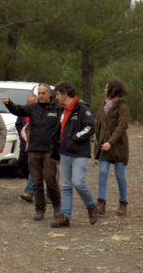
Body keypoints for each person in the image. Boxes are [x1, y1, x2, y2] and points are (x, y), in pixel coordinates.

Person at [1, 84, 62, 221]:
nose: (41, 96)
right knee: (36, 182)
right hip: (34, 149)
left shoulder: (57, 108)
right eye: (39, 93)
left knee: (50, 180)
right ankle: (39, 209)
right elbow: (18, 110)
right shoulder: (33, 108)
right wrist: (9, 103)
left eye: (43, 93)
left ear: (49, 94)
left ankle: (58, 207)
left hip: (50, 150)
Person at [51, 81, 97, 228]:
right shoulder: (61, 109)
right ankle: (65, 216)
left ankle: (91, 205)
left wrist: (76, 137)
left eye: (57, 94)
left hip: (80, 153)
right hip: (64, 152)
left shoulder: (82, 108)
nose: (56, 97)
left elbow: (90, 127)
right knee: (65, 185)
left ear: (65, 93)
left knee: (78, 182)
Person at [94, 80, 130, 216]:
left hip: (118, 145)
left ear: (113, 89)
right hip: (103, 144)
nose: (104, 89)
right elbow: (98, 122)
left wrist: (111, 142)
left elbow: (122, 126)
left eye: (106, 87)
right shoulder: (103, 104)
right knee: (102, 172)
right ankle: (101, 202)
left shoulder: (123, 106)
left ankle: (123, 203)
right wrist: (94, 136)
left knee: (120, 174)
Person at [16, 93, 37, 203]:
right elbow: (19, 125)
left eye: (31, 104)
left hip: (36, 145)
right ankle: (31, 184)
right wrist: (22, 136)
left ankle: (31, 189)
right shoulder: (23, 112)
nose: (29, 106)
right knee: (21, 162)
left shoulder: (38, 112)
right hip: (24, 144)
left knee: (36, 168)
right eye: (28, 104)